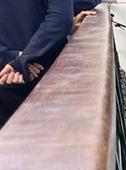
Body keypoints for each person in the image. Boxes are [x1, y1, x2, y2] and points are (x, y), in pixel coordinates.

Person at [1, 0, 74, 128]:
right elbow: (61, 18)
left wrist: (13, 59)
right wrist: (25, 59)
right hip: (48, 77)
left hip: (5, 76)